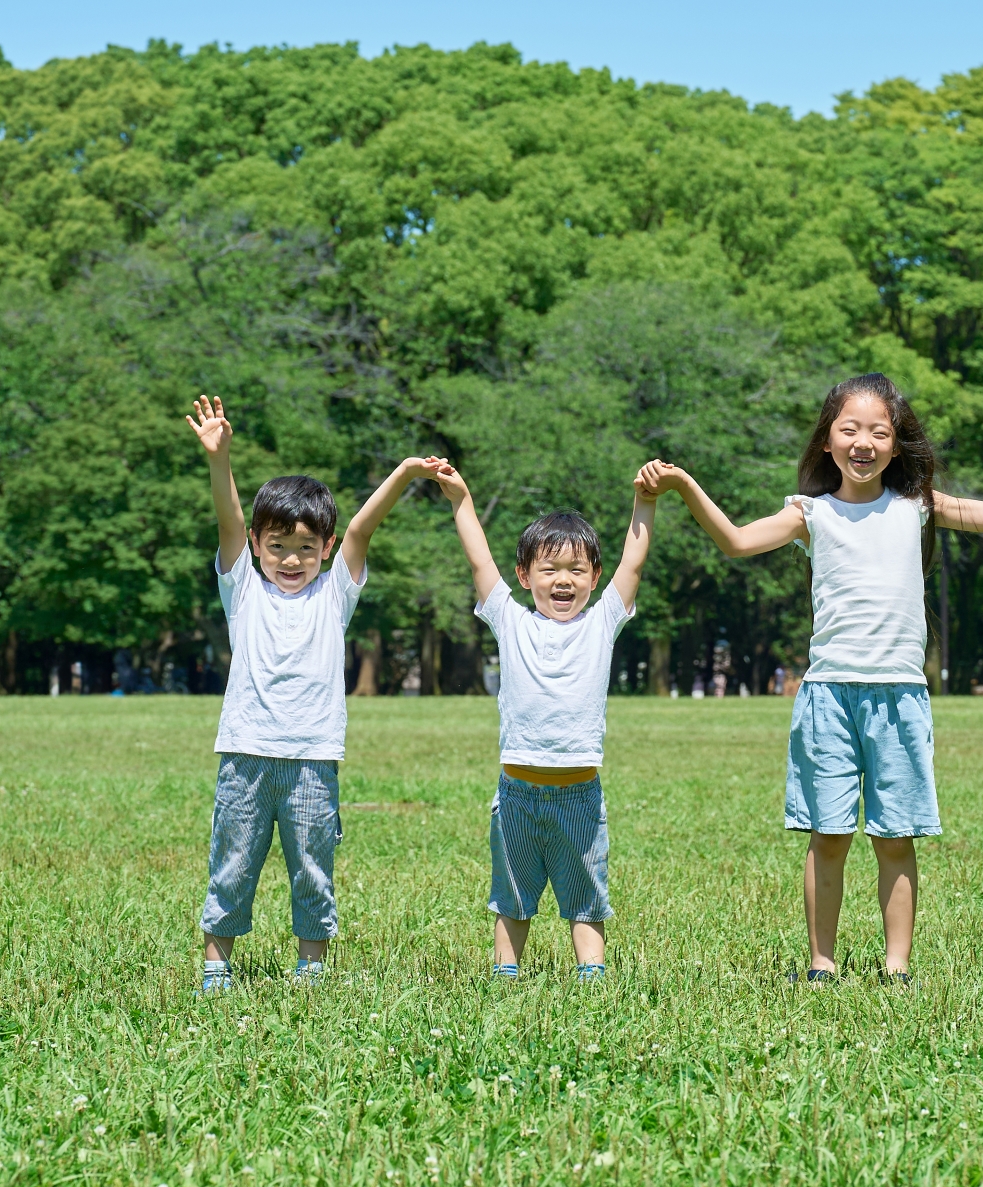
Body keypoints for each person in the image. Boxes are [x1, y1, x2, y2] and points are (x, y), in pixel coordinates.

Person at [636, 372, 983, 985]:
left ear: (897, 446)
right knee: (827, 837)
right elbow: (737, 542)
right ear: (827, 442)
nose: (863, 441)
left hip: (900, 697)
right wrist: (684, 485)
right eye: (849, 429)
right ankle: (820, 965)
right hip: (828, 696)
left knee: (895, 838)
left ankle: (896, 969)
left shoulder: (917, 507)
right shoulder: (811, 514)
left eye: (879, 431)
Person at [187, 395, 438, 992]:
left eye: (304, 547)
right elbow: (226, 519)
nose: (290, 558)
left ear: (324, 548)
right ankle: (216, 965)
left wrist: (403, 474)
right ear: (255, 544)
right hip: (246, 753)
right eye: (276, 546)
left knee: (312, 868)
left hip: (313, 760)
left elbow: (360, 527)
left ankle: (311, 967)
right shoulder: (243, 590)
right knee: (233, 864)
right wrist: (220, 461)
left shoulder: (335, 595)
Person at [431, 463, 656, 981]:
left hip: (580, 793)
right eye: (550, 569)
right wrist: (461, 499)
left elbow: (634, 563)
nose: (563, 580)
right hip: (517, 794)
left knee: (587, 894)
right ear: (525, 576)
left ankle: (591, 974)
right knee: (511, 893)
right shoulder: (509, 620)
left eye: (577, 570)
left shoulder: (603, 621)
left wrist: (646, 501)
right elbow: (478, 560)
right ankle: (506, 973)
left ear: (595, 579)